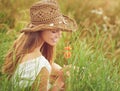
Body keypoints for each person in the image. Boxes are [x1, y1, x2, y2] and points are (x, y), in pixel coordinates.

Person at [2, 0, 77, 91]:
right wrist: (61, 79)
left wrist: (61, 71)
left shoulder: (21, 50)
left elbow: (49, 65)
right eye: (54, 31)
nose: (59, 35)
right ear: (40, 30)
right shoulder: (41, 65)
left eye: (60, 30)